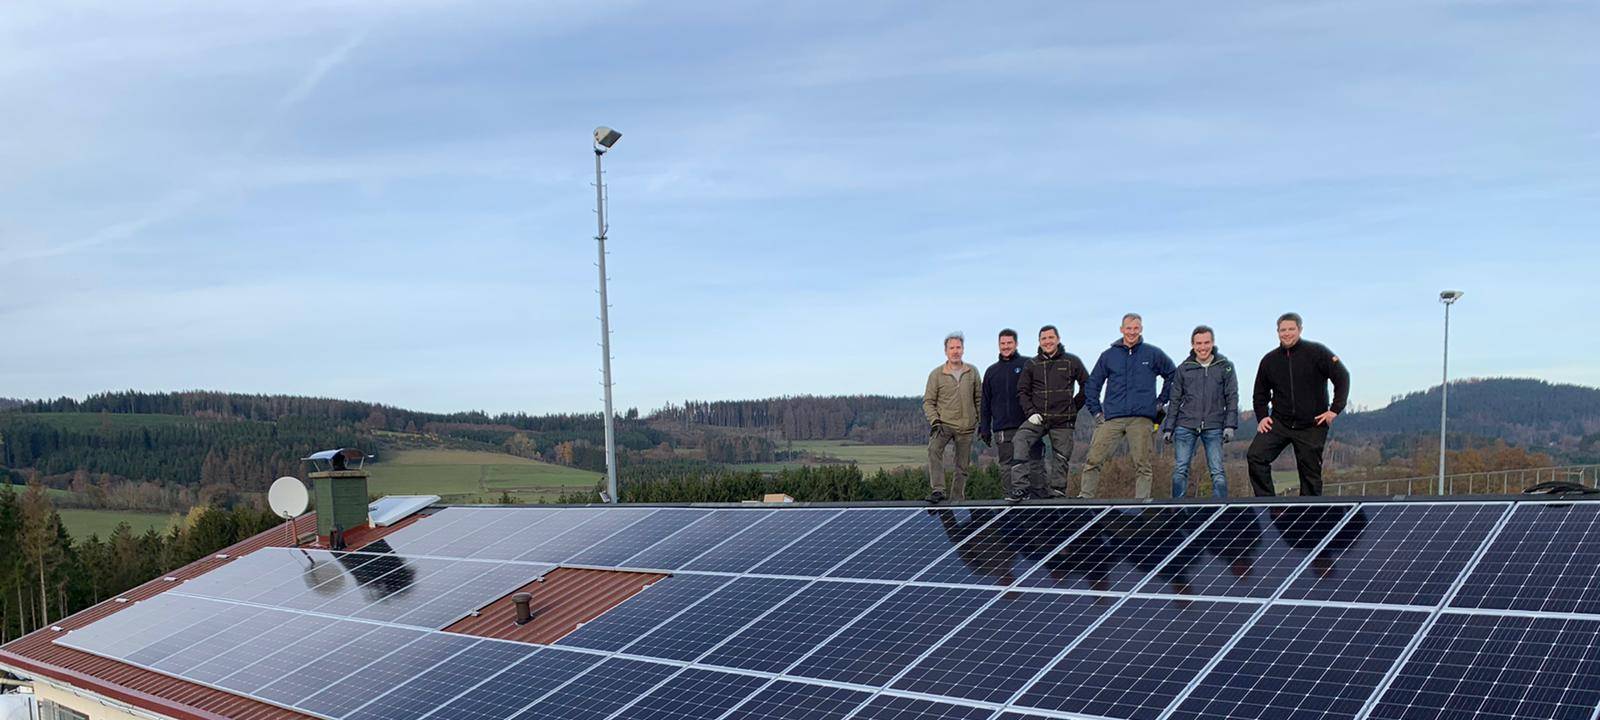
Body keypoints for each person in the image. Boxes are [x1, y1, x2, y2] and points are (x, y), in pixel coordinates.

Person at [1246, 312, 1351, 496]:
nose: (1286, 333)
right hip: (1280, 422)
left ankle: (1307, 515)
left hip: (1312, 424)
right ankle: (1268, 505)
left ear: (1300, 329)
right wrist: (1262, 417)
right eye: (1282, 330)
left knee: (1310, 475)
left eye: (1291, 329)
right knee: (1255, 457)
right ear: (1277, 332)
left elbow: (1342, 377)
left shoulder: (1317, 352)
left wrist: (1334, 410)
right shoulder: (1269, 360)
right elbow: (1260, 393)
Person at [1081, 313, 1176, 499]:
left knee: (1143, 464)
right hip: (1112, 418)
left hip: (1141, 418)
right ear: (1121, 329)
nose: (1132, 332)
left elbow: (1173, 374)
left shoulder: (1153, 353)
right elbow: (1092, 384)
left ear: (1141, 329)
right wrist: (1096, 411)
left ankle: (1141, 504)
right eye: (1128, 328)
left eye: (1136, 328)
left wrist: (1160, 401)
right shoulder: (1108, 356)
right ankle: (1084, 499)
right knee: (1093, 459)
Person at [1008, 325, 1089, 502]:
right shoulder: (1032, 364)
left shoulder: (1071, 361)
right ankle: (1020, 488)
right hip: (1038, 418)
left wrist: (1074, 406)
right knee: (1020, 439)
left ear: (1058, 339)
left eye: (1051, 338)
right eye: (1044, 339)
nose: (1047, 341)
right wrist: (1030, 412)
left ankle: (1057, 492)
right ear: (1039, 342)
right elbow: (1022, 390)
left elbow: (1087, 385)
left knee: (1061, 455)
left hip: (1063, 419)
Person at [1163, 325, 1239, 499]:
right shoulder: (1184, 368)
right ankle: (1178, 510)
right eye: (1198, 343)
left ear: (1212, 343)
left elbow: (1232, 397)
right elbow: (1175, 400)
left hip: (1214, 425)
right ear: (1192, 344)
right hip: (1186, 424)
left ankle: (1220, 511)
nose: (1202, 347)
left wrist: (1230, 425)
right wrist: (1169, 428)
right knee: (1180, 470)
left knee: (1217, 471)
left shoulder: (1225, 367)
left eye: (1206, 343)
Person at [980, 329, 1045, 497]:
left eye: (1009, 343)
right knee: (1007, 466)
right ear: (998, 345)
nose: (1006, 346)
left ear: (1016, 344)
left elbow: (1039, 392)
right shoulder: (991, 371)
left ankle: (1039, 502)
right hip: (1003, 428)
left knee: (1034, 463)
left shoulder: (1027, 364)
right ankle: (1011, 505)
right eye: (1003, 343)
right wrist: (984, 428)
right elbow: (985, 402)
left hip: (1027, 424)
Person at [924, 332, 981, 504]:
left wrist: (981, 421)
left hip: (967, 425)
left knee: (962, 465)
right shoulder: (936, 374)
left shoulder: (972, 371)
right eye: (952, 348)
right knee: (934, 449)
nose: (955, 351)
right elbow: (928, 402)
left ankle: (956, 498)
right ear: (945, 351)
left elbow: (979, 398)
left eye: (958, 347)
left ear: (963, 350)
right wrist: (935, 421)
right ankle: (938, 490)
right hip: (944, 424)